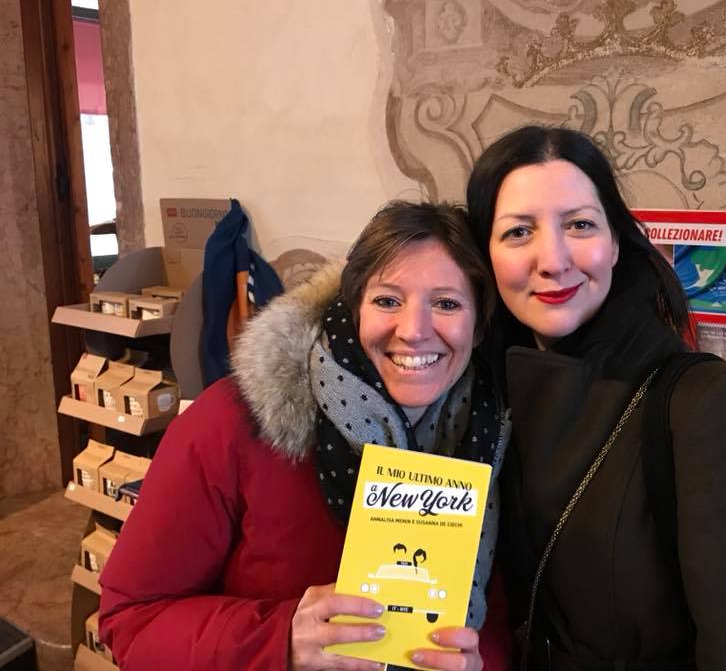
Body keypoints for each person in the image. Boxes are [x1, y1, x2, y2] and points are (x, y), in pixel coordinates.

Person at [98, 201, 512, 671]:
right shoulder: (229, 423)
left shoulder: (490, 437)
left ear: (479, 326)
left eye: (446, 303)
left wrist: (480, 663)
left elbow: (499, 626)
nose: (414, 331)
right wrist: (279, 641)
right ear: (353, 310)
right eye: (387, 301)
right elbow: (131, 620)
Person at [465, 126, 726, 669]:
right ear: (484, 257)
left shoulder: (719, 409)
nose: (553, 260)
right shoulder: (486, 403)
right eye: (518, 232)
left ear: (616, 242)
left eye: (580, 224)